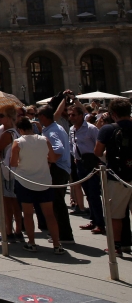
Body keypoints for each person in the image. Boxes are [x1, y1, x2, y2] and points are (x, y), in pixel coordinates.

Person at [11, 117, 65, 254]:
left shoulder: (17, 143)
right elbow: (52, 158)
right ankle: (57, 244)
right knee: (50, 214)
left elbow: (13, 163)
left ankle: (32, 243)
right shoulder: (44, 140)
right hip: (44, 180)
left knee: (28, 214)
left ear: (20, 130)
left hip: (24, 181)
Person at [94, 98, 132, 256]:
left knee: (115, 214)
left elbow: (97, 152)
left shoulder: (108, 129)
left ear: (113, 113)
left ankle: (116, 247)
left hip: (117, 175)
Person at [37, 105, 74, 243]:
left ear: (43, 117)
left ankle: (64, 235)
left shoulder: (52, 131)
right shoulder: (56, 128)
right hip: (62, 168)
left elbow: (58, 149)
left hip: (57, 169)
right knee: (57, 202)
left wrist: (49, 159)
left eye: (39, 116)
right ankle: (60, 232)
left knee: (57, 203)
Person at [67, 97, 104, 234]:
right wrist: (75, 157)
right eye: (70, 115)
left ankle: (100, 222)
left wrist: (98, 161)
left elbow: (99, 144)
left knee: (94, 194)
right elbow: (72, 145)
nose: (71, 117)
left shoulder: (91, 129)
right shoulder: (71, 129)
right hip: (80, 164)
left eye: (74, 115)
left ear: (81, 115)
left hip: (92, 163)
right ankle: (94, 220)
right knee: (88, 194)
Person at [0, 104, 23, 241]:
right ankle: (18, 230)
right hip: (14, 170)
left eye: (1, 115)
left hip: (5, 171)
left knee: (4, 202)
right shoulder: (16, 131)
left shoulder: (7, 134)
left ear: (9, 117)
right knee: (15, 203)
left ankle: (7, 231)